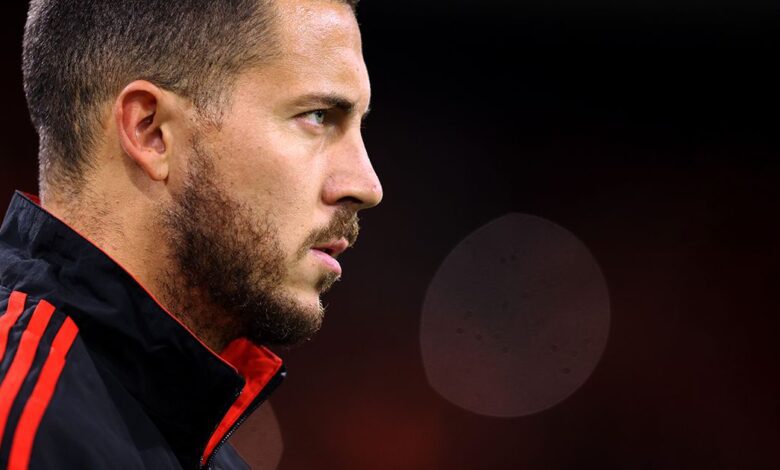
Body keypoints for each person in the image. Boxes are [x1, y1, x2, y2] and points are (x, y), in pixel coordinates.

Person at [0, 0, 382, 467]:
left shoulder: (203, 445)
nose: (367, 186)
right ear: (151, 131)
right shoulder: (19, 417)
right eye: (319, 116)